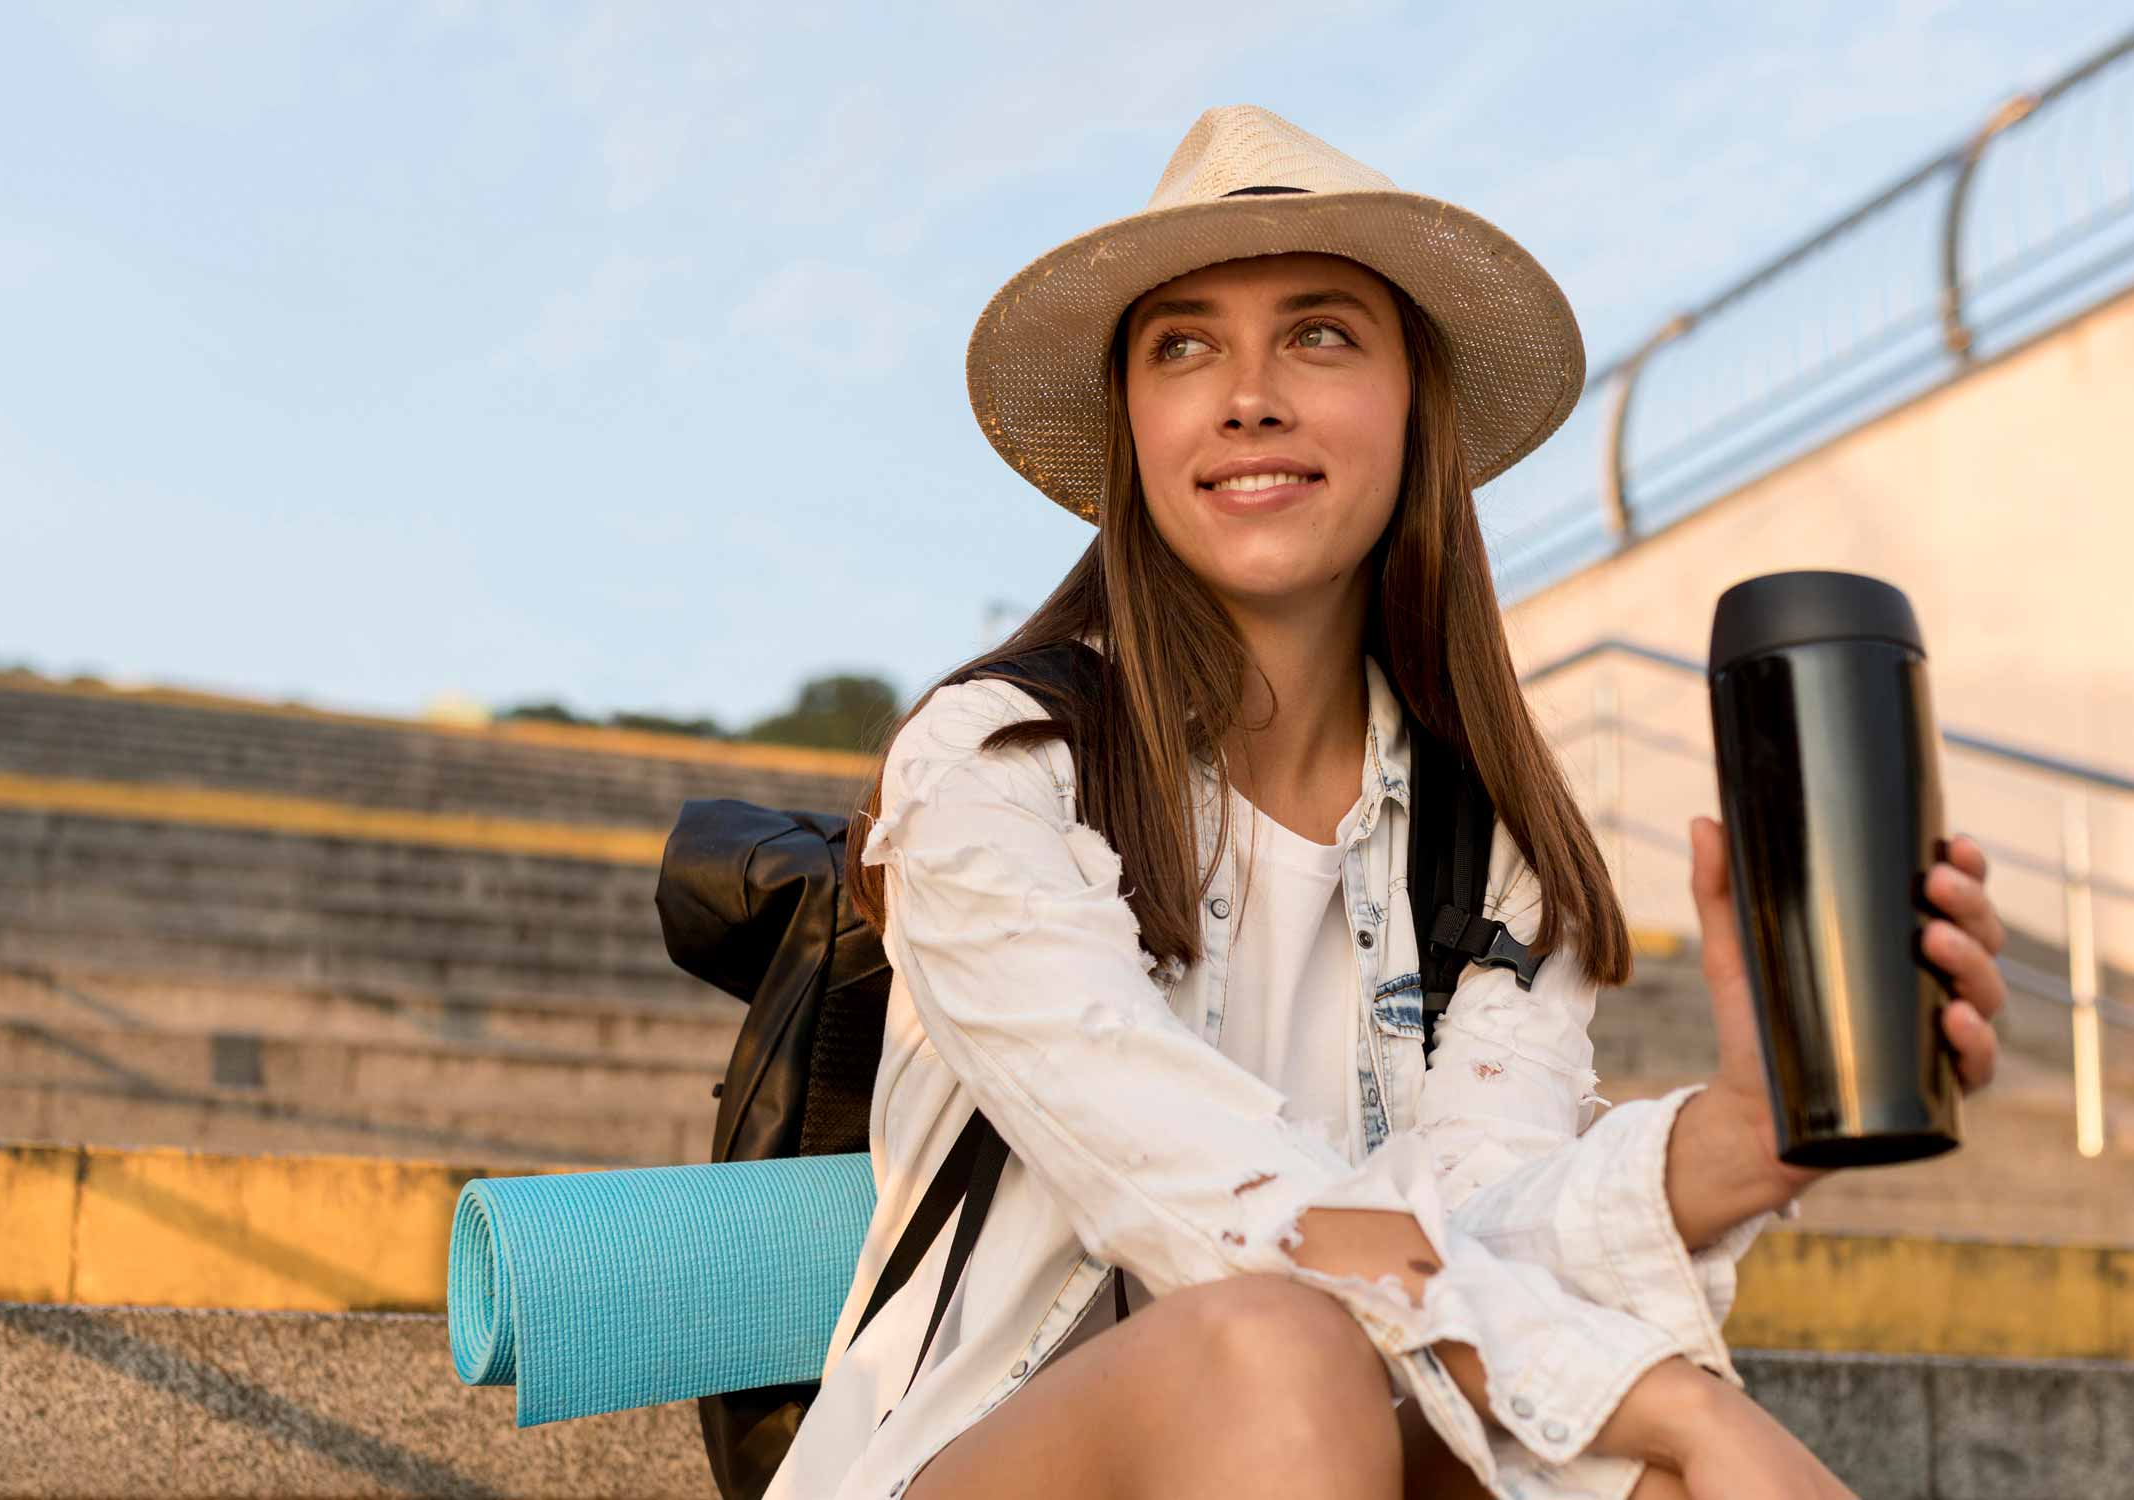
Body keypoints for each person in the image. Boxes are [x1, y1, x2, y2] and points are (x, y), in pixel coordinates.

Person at [761, 106, 2010, 1500]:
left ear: (1416, 408)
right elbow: (1221, 1205)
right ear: (1134, 424)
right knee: (1285, 1349)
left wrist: (1741, 1136)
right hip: (981, 1458)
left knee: (1600, 1466)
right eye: (1182, 345)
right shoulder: (994, 763)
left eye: (1318, 334)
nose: (1247, 394)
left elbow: (1471, 1230)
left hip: (1330, 1428)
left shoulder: (1491, 852)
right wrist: (1677, 1406)